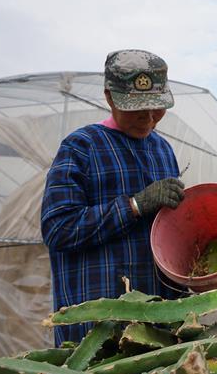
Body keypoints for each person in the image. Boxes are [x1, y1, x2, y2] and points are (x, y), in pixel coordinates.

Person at [41, 49, 186, 345]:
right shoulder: (81, 147)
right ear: (109, 97)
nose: (148, 118)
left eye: (157, 108)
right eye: (137, 108)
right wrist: (134, 206)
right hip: (97, 329)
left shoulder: (163, 151)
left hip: (157, 322)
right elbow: (58, 229)